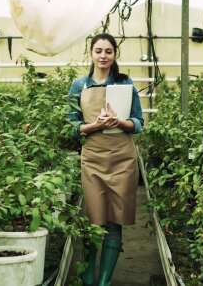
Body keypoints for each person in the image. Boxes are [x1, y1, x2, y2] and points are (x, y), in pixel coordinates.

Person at [68, 33, 144, 286]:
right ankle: (89, 277)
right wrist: (94, 126)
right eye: (98, 51)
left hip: (122, 157)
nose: (103, 56)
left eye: (108, 51)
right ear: (91, 53)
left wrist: (120, 122)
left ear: (114, 55)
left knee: (115, 218)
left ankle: (104, 281)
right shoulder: (79, 86)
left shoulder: (125, 84)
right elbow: (71, 127)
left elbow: (139, 123)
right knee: (94, 218)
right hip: (93, 158)